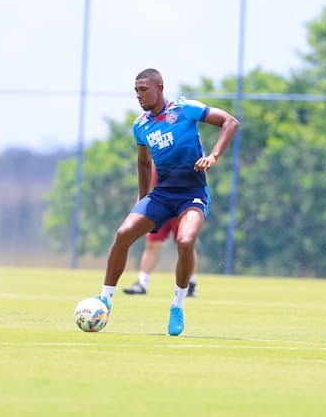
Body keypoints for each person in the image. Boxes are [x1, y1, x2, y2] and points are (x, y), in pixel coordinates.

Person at [95, 68, 239, 336]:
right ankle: (105, 299)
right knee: (123, 233)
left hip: (192, 194)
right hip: (161, 196)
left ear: (160, 88)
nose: (139, 95)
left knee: (185, 242)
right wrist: (142, 197)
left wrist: (214, 156)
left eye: (143, 90)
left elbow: (230, 122)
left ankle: (177, 305)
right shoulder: (140, 125)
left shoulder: (186, 109)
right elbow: (142, 161)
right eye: (136, 91)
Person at [123, 167, 199, 297]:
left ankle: (190, 284)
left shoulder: (190, 150)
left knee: (186, 245)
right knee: (152, 244)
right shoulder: (158, 150)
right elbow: (149, 178)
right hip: (160, 204)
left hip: (183, 203)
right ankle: (142, 283)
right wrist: (140, 204)